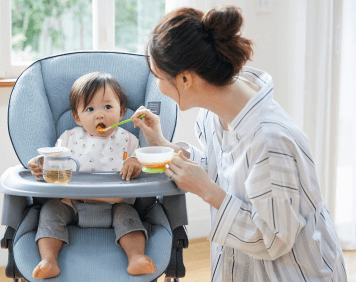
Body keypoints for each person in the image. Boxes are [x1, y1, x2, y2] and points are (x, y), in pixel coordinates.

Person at [131, 5, 347, 281]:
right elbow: (219, 170)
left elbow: (273, 239)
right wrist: (160, 143)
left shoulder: (271, 141)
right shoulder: (217, 111)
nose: (158, 86)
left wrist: (207, 191)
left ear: (185, 79)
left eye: (159, 77)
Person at [27, 72, 156, 279]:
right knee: (51, 211)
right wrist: (41, 164)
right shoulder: (69, 138)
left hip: (116, 205)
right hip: (72, 204)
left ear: (121, 111)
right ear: (77, 117)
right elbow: (54, 159)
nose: (100, 115)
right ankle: (49, 260)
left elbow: (142, 161)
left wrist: (135, 162)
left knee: (130, 217)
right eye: (90, 109)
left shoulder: (129, 140)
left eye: (108, 107)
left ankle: (136, 257)